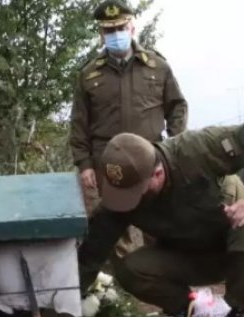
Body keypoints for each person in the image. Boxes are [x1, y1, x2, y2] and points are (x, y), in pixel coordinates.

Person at [78, 123, 244, 317]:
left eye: (136, 192)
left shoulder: (197, 149)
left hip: (235, 250)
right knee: (131, 269)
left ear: (157, 173)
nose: (129, 201)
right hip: (184, 256)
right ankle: (194, 316)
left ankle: (231, 315)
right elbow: (89, 258)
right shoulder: (120, 200)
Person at [70, 0, 188, 257]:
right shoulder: (89, 75)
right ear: (101, 34)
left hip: (153, 160)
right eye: (109, 30)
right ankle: (121, 287)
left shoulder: (157, 67)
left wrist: (173, 149)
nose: (116, 35)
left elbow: (177, 107)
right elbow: (79, 124)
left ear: (132, 27)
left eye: (121, 28)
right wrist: (85, 164)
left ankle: (161, 278)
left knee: (158, 223)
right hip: (107, 164)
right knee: (112, 228)